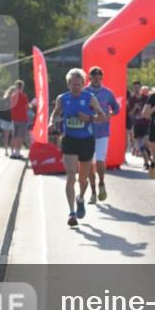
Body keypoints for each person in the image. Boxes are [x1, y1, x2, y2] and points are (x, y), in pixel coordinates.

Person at [50, 69, 108, 227]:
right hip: (69, 140)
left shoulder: (90, 98)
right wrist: (51, 122)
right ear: (68, 84)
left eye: (78, 84)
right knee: (71, 176)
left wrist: (89, 118)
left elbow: (103, 117)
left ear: (83, 84)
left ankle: (81, 198)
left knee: (83, 179)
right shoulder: (63, 98)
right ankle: (71, 212)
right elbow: (55, 113)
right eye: (73, 84)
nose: (76, 87)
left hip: (86, 141)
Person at [85, 66, 121, 203]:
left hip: (103, 131)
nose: (96, 79)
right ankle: (93, 192)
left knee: (100, 161)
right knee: (89, 163)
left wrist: (109, 114)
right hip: (87, 132)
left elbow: (116, 108)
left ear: (101, 78)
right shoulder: (84, 92)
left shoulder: (107, 93)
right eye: (93, 76)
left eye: (98, 77)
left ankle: (101, 183)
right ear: (89, 77)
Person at [9, 80, 30, 159]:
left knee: (14, 136)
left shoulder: (13, 95)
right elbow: (27, 107)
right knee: (20, 136)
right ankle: (17, 153)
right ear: (22, 87)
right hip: (22, 118)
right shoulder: (23, 96)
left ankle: (12, 153)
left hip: (14, 118)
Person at [132, 86, 152, 166]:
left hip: (146, 124)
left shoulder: (150, 99)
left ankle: (148, 158)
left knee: (145, 143)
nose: (145, 93)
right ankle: (146, 162)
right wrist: (135, 108)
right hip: (137, 125)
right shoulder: (134, 99)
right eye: (143, 91)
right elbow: (130, 113)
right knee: (140, 144)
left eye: (146, 91)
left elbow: (152, 112)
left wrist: (147, 114)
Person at [126, 80, 143, 155]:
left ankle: (137, 149)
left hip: (143, 121)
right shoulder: (131, 99)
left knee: (141, 138)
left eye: (138, 87)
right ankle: (135, 148)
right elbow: (130, 113)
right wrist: (135, 108)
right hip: (132, 121)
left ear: (140, 88)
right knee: (132, 136)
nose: (136, 89)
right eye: (135, 87)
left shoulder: (144, 98)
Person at [0, 86, 14, 156]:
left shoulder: (15, 100)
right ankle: (6, 150)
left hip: (12, 120)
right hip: (6, 120)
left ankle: (11, 150)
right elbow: (1, 110)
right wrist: (2, 118)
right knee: (6, 136)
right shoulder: (5, 100)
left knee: (12, 136)